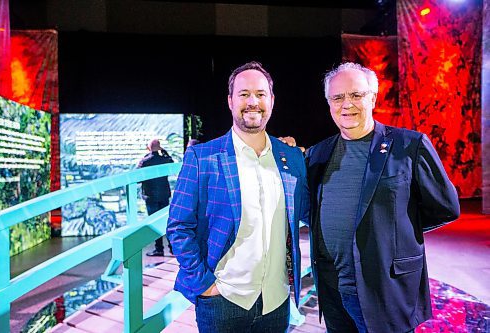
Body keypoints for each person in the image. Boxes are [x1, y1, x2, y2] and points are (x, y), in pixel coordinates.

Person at [305, 62, 460, 333]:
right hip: (332, 290)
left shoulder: (409, 146)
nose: (347, 104)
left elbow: (445, 207)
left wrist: (392, 231)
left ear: (373, 98)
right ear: (329, 102)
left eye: (356, 95)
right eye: (338, 97)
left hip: (385, 290)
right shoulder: (318, 154)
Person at [166, 61, 309, 333]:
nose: (252, 101)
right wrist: (204, 284)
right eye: (244, 94)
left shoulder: (291, 157)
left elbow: (308, 212)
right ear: (230, 101)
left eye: (260, 94)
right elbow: (178, 226)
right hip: (222, 301)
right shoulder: (202, 158)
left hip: (276, 303)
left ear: (272, 100)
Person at [137, 138, 174, 256]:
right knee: (167, 223)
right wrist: (163, 151)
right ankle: (172, 248)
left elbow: (137, 177)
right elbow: (172, 162)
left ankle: (159, 249)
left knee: (155, 223)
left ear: (149, 147)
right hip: (163, 195)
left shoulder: (145, 161)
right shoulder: (165, 159)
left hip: (150, 196)